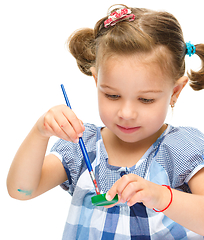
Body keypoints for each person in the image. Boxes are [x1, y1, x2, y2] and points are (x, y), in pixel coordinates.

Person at [7, 4, 204, 239]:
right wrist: (39, 132)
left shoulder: (180, 149)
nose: (127, 112)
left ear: (175, 92)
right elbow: (21, 190)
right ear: (97, 82)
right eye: (112, 95)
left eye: (145, 99)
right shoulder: (83, 145)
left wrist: (160, 197)